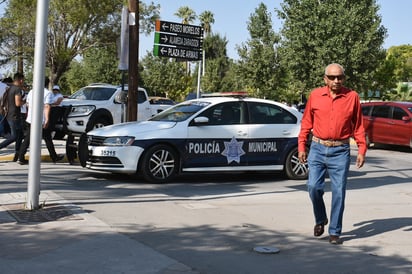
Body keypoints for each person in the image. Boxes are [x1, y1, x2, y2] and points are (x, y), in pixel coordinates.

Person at [297, 63, 367, 245]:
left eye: (340, 77)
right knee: (313, 187)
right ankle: (320, 219)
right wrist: (302, 146)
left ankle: (334, 231)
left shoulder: (352, 97)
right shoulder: (315, 95)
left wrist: (361, 149)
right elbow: (306, 123)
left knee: (339, 192)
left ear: (344, 78)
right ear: (325, 79)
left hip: (340, 151)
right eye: (332, 77)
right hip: (318, 148)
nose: (336, 81)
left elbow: (358, 126)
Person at [17, 77, 64, 164]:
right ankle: (54, 157)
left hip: (30, 118)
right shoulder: (47, 93)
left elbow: (27, 104)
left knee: (28, 138)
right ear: (47, 83)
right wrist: (47, 119)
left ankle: (20, 157)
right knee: (47, 138)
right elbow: (47, 106)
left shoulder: (31, 91)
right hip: (40, 119)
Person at [0, 73, 25, 160]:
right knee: (14, 136)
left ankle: (17, 155)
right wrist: (26, 102)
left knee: (20, 135)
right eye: (23, 80)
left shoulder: (9, 88)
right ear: (20, 80)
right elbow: (18, 103)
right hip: (14, 115)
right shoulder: (17, 89)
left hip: (8, 114)